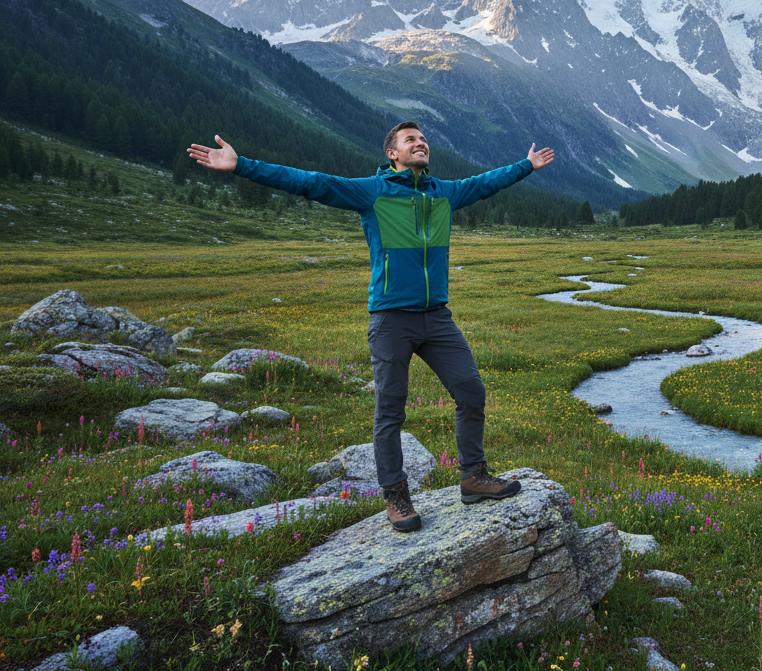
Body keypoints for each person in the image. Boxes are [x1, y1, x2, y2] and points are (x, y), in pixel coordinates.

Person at [188, 122, 555, 532]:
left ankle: (474, 476)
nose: (421, 143)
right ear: (393, 154)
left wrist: (525, 166)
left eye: (423, 139)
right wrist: (242, 166)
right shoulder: (372, 192)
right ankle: (396, 496)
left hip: (437, 317)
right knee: (391, 411)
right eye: (410, 140)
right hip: (390, 319)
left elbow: (486, 183)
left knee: (470, 389)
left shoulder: (444, 193)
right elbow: (310, 182)